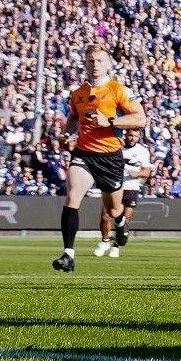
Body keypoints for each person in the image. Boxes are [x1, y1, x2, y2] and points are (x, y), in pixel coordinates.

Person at [52, 44, 147, 273]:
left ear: (108, 64)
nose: (95, 65)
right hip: (84, 153)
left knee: (113, 211)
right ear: (85, 63)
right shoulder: (78, 94)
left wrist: (111, 122)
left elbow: (140, 119)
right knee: (72, 196)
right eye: (91, 61)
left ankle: (121, 224)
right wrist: (68, 133)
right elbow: (74, 117)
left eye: (100, 61)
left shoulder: (118, 89)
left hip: (110, 156)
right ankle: (68, 254)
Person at [94, 128, 152, 258]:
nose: (132, 138)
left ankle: (116, 246)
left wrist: (137, 174)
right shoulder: (116, 146)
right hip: (114, 185)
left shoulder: (142, 151)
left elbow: (147, 172)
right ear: (126, 134)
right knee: (105, 216)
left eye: (136, 136)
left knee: (124, 221)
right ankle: (105, 241)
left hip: (131, 187)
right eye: (130, 135)